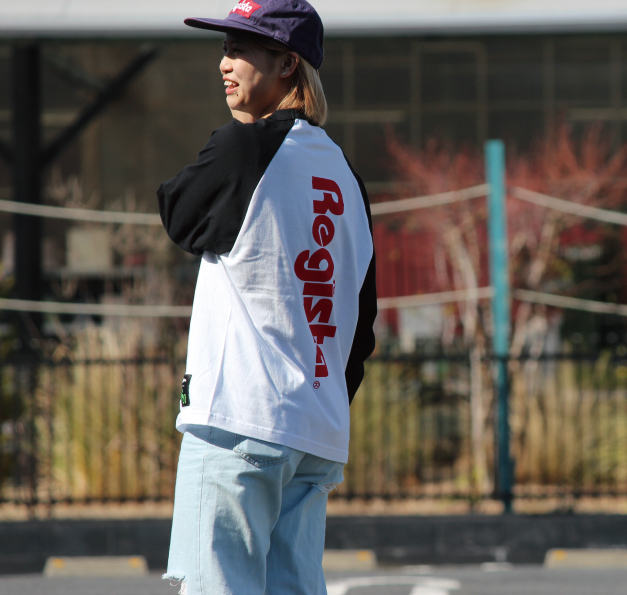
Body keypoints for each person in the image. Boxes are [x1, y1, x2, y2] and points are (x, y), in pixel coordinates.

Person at [157, 1, 377, 593]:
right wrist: (317, 395)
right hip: (316, 432)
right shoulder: (346, 176)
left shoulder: (246, 148)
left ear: (287, 64)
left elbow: (178, 213)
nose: (224, 63)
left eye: (241, 49)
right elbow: (361, 324)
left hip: (240, 418)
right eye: (225, 49)